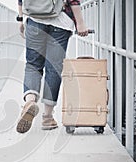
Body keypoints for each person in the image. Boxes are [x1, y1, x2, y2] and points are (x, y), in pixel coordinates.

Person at [16, 0, 89, 133]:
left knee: (33, 65)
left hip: (35, 19)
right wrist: (80, 22)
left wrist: (20, 18)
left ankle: (30, 101)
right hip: (61, 22)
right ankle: (47, 117)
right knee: (53, 69)